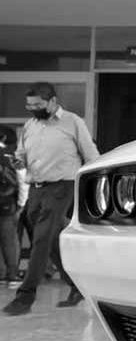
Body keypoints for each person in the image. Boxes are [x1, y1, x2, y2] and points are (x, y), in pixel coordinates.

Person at [2, 82, 100, 316]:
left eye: (38, 105)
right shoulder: (30, 125)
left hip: (62, 186)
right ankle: (76, 287)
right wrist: (19, 161)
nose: (33, 109)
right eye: (29, 105)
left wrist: (93, 191)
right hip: (36, 188)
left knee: (42, 238)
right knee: (50, 238)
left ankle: (25, 297)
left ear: (53, 101)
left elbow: (92, 156)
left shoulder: (73, 122)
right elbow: (22, 154)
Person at [0, 145, 23, 288]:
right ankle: (12, 275)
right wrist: (21, 203)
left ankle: (1, 275)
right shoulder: (7, 154)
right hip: (7, 204)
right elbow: (20, 178)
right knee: (10, 241)